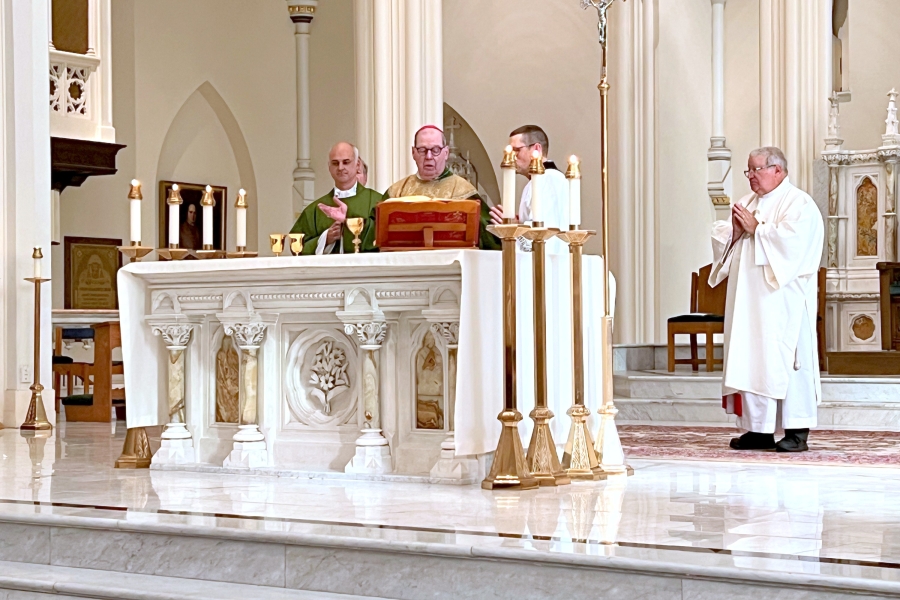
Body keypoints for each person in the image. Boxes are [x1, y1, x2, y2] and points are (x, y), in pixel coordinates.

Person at [710, 146, 824, 453]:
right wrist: (734, 232)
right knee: (752, 360)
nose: (751, 177)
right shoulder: (748, 202)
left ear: (778, 170)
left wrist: (757, 230)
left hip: (783, 299)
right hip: (749, 302)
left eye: (756, 170)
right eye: (748, 171)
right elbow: (723, 239)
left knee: (788, 361)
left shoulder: (799, 203)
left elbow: (795, 244)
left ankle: (797, 430)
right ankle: (758, 430)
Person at [383, 125, 501, 250]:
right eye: (422, 150)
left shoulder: (463, 191)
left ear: (446, 153)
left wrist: (504, 231)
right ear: (413, 153)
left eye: (435, 150)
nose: (429, 156)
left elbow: (488, 237)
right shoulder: (397, 191)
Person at [290, 142, 382, 254]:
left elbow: (385, 237)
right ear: (329, 167)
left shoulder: (377, 201)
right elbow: (296, 247)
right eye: (335, 163)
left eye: (346, 162)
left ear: (357, 165)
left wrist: (347, 223)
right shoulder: (315, 209)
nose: (340, 167)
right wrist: (325, 239)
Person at [488, 125, 568, 252]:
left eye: (517, 150)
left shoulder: (550, 178)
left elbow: (545, 232)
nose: (512, 157)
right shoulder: (536, 183)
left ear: (536, 149)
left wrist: (514, 228)